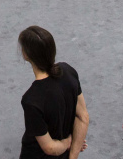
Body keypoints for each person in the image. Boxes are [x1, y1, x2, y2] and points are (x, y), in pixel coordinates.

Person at [18, 26, 89, 159]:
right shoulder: (68, 71)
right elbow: (83, 117)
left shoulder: (31, 100)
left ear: (26, 54)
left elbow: (49, 147)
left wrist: (66, 143)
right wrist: (73, 152)